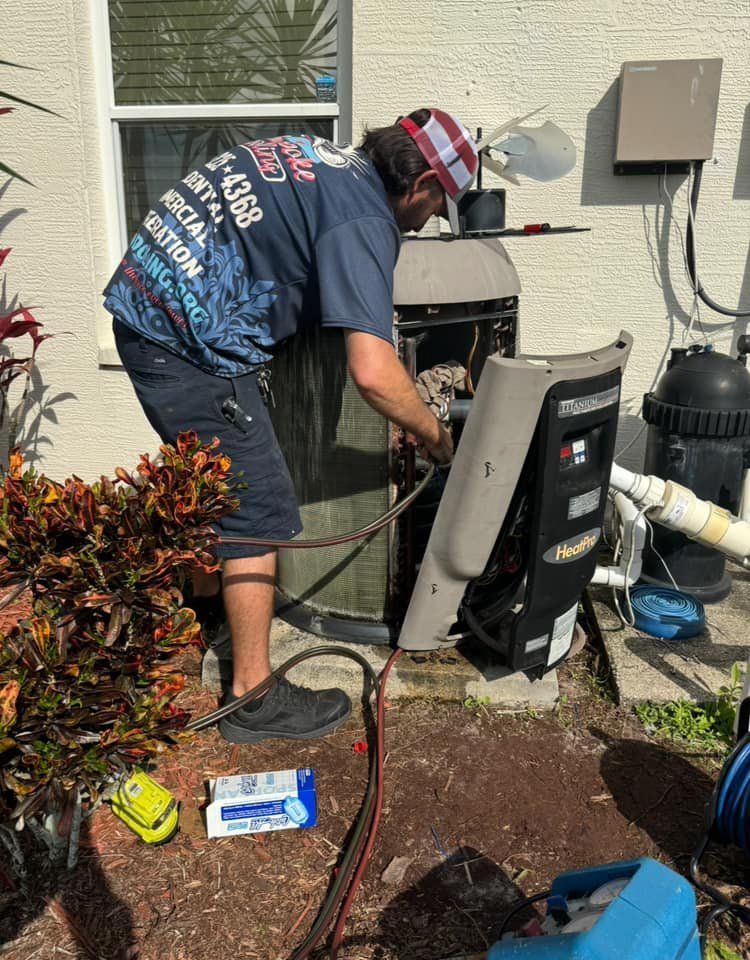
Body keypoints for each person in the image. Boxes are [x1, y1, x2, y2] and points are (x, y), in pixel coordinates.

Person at [104, 108, 479, 744]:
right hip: (179, 337)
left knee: (229, 489)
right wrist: (438, 439)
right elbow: (373, 372)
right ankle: (252, 699)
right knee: (258, 509)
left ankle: (210, 612)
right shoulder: (365, 217)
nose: (431, 222)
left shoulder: (325, 160)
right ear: (417, 185)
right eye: (439, 207)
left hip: (153, 300)